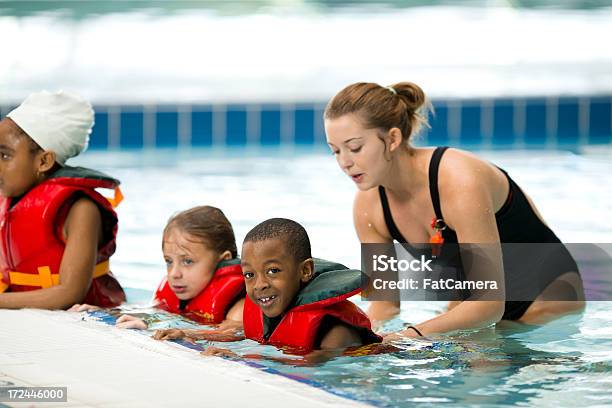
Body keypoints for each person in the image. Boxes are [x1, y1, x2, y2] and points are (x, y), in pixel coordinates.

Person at [324, 81, 585, 337]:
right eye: (335, 151)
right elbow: (385, 304)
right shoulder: (369, 207)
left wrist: (408, 336)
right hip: (474, 301)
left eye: (355, 147)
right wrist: (360, 339)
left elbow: (488, 304)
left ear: (392, 138)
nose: (344, 162)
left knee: (477, 360)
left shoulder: (458, 180)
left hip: (545, 300)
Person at [156, 218, 381, 361]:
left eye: (273, 271)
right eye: (250, 275)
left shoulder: (333, 331)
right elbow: (237, 333)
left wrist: (244, 360)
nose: (260, 284)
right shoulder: (263, 311)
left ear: (305, 271)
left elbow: (313, 369)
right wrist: (188, 334)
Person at [0, 90, 125, 309]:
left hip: (89, 321)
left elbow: (70, 293)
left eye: (5, 155)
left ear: (44, 161)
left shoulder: (80, 210)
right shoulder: (11, 199)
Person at [72, 206, 245, 332]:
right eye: (169, 261)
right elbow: (153, 314)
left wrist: (153, 328)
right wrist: (105, 312)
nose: (174, 274)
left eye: (188, 261)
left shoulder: (237, 309)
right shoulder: (176, 292)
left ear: (224, 260)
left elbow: (225, 335)